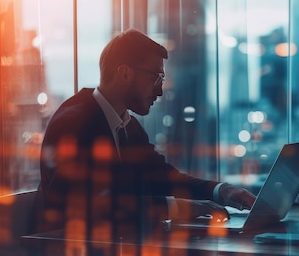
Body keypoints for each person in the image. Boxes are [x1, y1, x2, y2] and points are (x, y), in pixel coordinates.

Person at [34, 29, 255, 234]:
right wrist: (177, 207)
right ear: (124, 73)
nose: (160, 90)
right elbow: (89, 204)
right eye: (155, 78)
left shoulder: (128, 125)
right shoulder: (74, 124)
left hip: (114, 251)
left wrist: (220, 191)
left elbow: (162, 177)